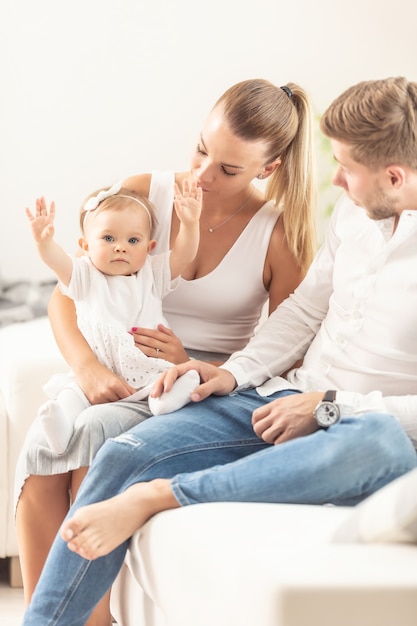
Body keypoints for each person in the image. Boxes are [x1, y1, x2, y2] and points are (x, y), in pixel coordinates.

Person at [20, 75, 417, 626]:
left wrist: (330, 406)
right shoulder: (355, 216)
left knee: (379, 444)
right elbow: (300, 313)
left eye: (346, 168)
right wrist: (232, 374)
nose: (337, 182)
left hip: (358, 422)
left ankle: (162, 495)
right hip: (276, 396)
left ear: (394, 177)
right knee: (121, 450)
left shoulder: (292, 226)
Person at [25, 180, 202, 454]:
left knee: (167, 380)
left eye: (133, 240)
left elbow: (184, 255)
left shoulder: (151, 274)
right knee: (72, 395)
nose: (120, 247)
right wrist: (43, 241)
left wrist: (190, 224)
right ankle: (60, 429)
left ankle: (165, 402)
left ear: (149, 247)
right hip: (99, 369)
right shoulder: (84, 275)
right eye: (108, 238)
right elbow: (57, 261)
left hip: (145, 363)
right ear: (85, 244)